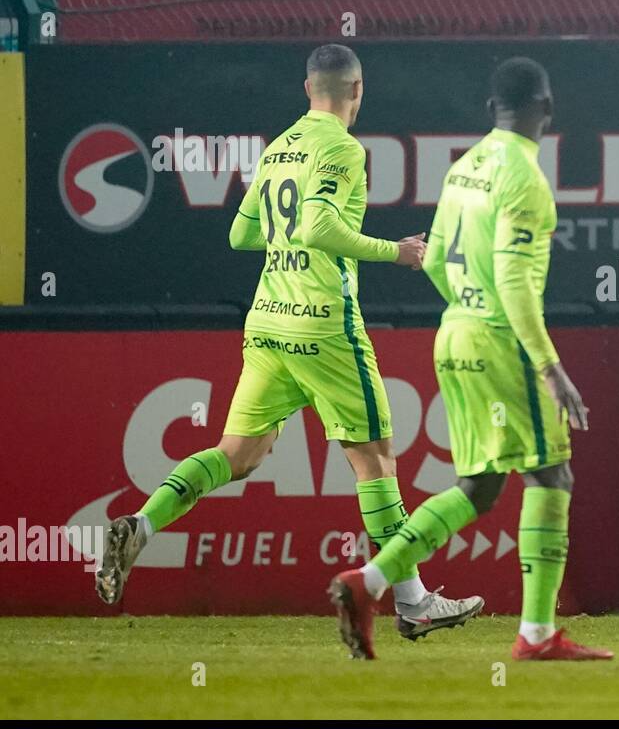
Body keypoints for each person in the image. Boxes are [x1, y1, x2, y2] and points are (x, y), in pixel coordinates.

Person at [96, 44, 482, 640]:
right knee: (375, 461)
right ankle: (412, 602)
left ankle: (139, 528)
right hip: (324, 324)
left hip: (269, 321)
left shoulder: (281, 147)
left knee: (237, 454)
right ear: (357, 90)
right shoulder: (343, 148)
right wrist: (397, 253)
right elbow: (318, 225)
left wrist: (292, 242)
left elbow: (241, 234)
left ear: (308, 90)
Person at [328, 57, 612, 661]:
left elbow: (432, 259)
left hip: (452, 333)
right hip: (498, 340)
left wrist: (467, 304)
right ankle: (537, 634)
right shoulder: (527, 180)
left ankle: (368, 582)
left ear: (491, 111)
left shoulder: (464, 168)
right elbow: (513, 278)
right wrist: (548, 365)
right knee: (551, 472)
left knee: (479, 487)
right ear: (548, 109)